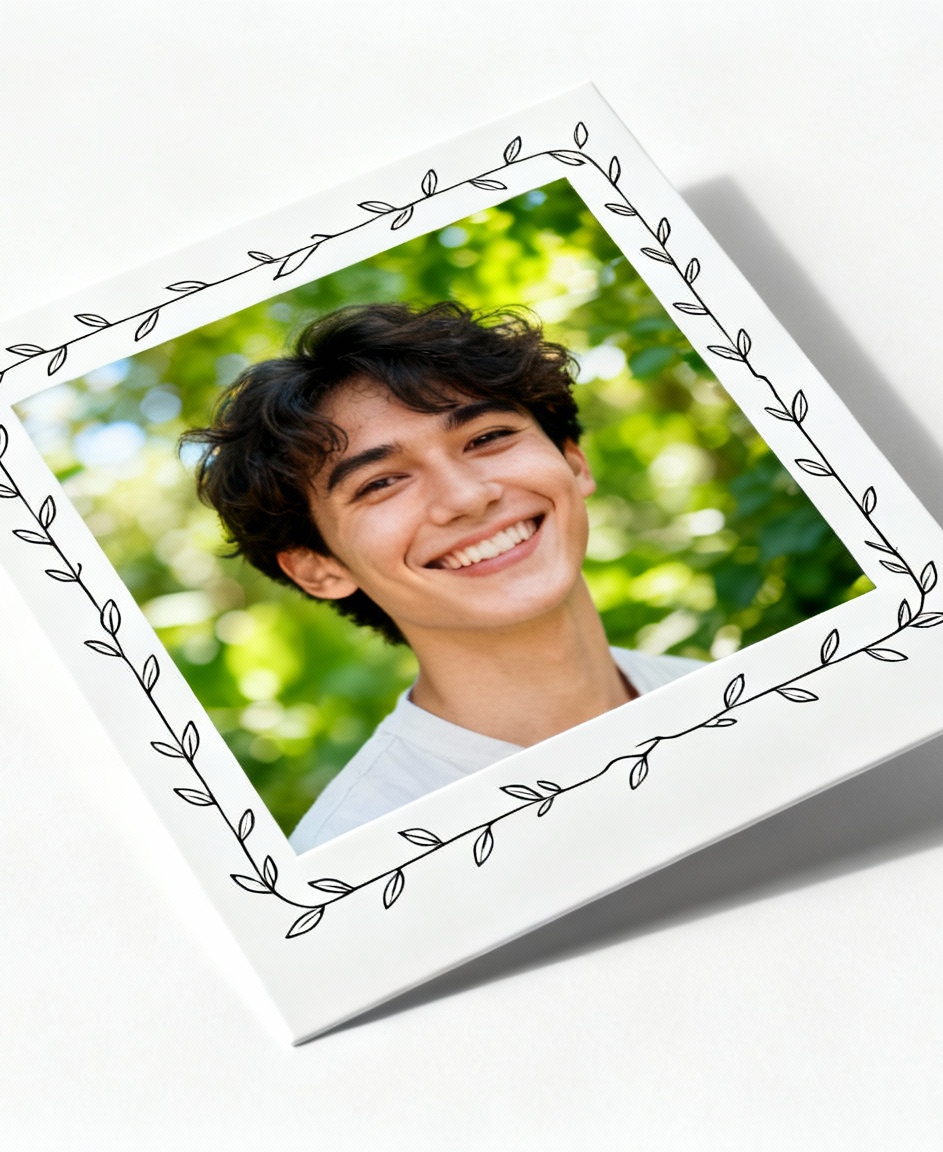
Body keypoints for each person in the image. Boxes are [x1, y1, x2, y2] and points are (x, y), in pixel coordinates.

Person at [184, 301, 701, 851]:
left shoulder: (731, 691)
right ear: (320, 568)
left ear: (573, 463)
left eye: (486, 438)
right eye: (381, 482)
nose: (467, 497)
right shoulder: (359, 854)